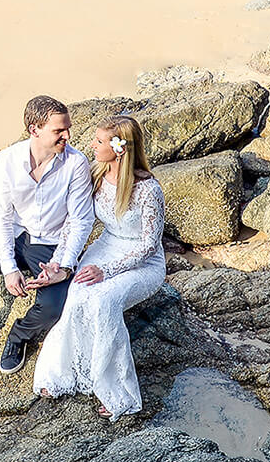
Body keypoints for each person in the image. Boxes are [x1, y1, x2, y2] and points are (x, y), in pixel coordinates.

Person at [0, 96, 96, 375]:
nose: (68, 135)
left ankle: (18, 336)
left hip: (51, 245)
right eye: (59, 130)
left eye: (67, 128)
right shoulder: (7, 160)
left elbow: (81, 220)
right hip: (15, 235)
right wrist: (9, 268)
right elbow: (1, 217)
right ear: (34, 129)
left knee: (53, 307)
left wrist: (63, 265)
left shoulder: (76, 163)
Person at [31, 116, 168, 415]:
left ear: (119, 149)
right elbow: (75, 222)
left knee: (104, 301)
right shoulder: (95, 175)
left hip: (143, 263)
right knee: (78, 294)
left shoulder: (148, 190)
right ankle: (61, 374)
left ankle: (115, 391)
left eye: (99, 141)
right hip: (106, 247)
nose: (91, 145)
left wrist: (107, 272)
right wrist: (59, 263)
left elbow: (148, 245)